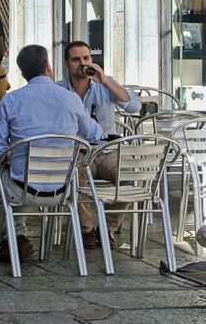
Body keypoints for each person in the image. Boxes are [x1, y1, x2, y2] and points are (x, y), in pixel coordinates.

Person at [0, 44, 103, 262]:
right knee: (14, 181)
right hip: (63, 189)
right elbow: (94, 133)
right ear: (48, 66)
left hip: (23, 186)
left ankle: (14, 237)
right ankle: (15, 238)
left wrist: (10, 157)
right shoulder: (70, 98)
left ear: (23, 73)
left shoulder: (11, 100)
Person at [56, 40, 142, 249]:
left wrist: (105, 81)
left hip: (106, 149)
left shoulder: (104, 84)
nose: (82, 63)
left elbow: (134, 106)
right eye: (76, 59)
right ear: (67, 63)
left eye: (86, 58)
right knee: (75, 173)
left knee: (131, 174)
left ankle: (106, 227)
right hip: (76, 150)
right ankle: (86, 229)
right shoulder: (58, 90)